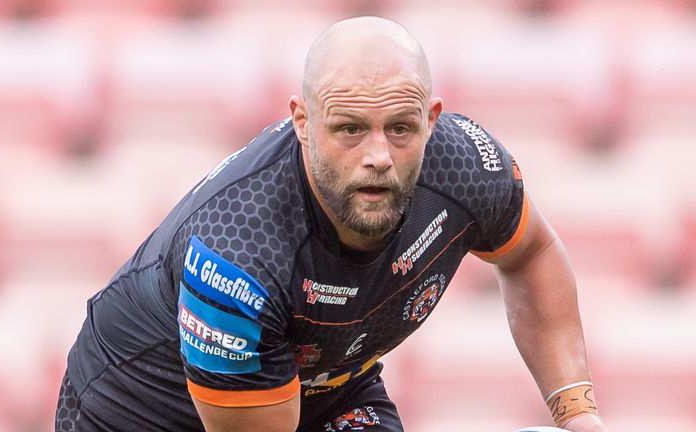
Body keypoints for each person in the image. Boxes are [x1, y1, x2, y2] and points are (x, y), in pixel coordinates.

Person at [56, 16, 609, 432]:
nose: (378, 156)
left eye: (400, 128)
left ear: (432, 119)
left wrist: (576, 415)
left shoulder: (465, 165)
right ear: (302, 121)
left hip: (329, 384)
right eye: (349, 129)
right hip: (141, 411)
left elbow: (531, 255)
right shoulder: (238, 257)